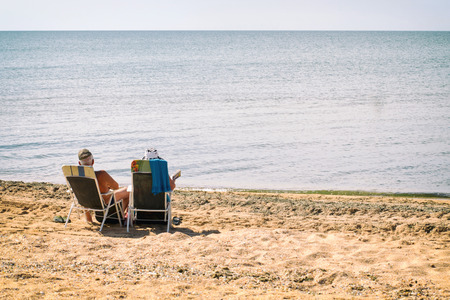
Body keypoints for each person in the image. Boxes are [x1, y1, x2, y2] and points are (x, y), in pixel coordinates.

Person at [78, 148, 130, 223]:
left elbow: (83, 200)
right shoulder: (101, 174)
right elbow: (116, 187)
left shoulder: (78, 179)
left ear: (79, 163)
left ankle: (89, 219)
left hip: (99, 217)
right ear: (93, 161)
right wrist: (106, 186)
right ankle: (122, 215)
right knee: (129, 190)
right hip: (109, 212)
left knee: (85, 196)